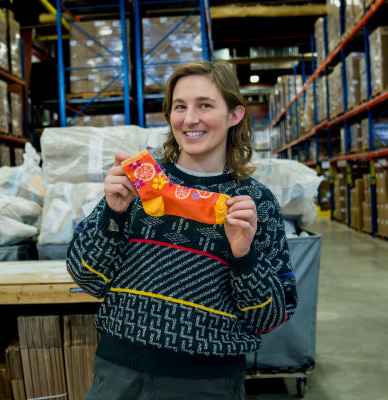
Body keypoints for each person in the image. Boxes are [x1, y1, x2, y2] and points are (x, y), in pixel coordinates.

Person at [66, 60, 297, 399]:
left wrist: (244, 256)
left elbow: (273, 315)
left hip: (207, 384)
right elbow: (88, 280)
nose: (190, 119)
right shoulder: (138, 182)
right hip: (117, 375)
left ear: (235, 115)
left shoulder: (255, 202)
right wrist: (112, 214)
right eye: (180, 107)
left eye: (205, 105)